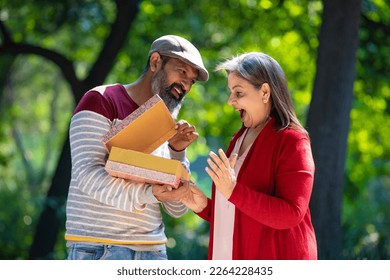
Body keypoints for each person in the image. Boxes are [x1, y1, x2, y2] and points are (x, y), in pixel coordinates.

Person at [64, 35, 209, 260]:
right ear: (155, 62)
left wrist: (177, 153)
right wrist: (148, 193)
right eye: (181, 72)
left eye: (191, 81)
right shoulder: (101, 101)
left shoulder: (167, 126)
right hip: (100, 250)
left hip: (154, 252)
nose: (186, 86)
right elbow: (88, 175)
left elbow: (178, 209)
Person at [177, 52, 317, 260]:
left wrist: (233, 190)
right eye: (231, 92)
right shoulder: (239, 138)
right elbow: (239, 211)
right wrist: (203, 205)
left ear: (265, 92)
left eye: (238, 93)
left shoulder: (293, 141)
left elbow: (291, 213)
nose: (230, 101)